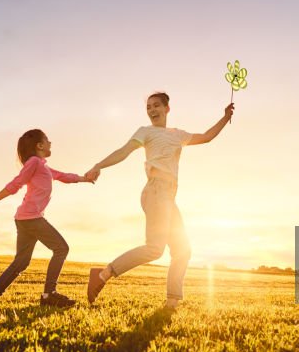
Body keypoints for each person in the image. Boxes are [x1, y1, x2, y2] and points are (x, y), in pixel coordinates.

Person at [84, 92, 234, 308]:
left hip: (168, 195)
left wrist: (225, 116)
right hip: (155, 191)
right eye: (148, 107)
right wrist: (98, 165)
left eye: (156, 106)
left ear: (167, 108)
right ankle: (103, 274)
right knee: (155, 248)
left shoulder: (178, 135)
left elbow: (207, 137)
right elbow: (123, 152)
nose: (152, 110)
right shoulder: (145, 132)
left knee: (182, 250)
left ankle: (172, 303)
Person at [0, 129, 93, 307]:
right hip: (31, 218)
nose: (50, 143)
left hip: (25, 218)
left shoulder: (43, 166)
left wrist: (85, 179)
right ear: (39, 145)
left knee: (21, 262)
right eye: (47, 140)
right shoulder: (34, 162)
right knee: (61, 248)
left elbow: (63, 176)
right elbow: (15, 184)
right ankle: (49, 295)